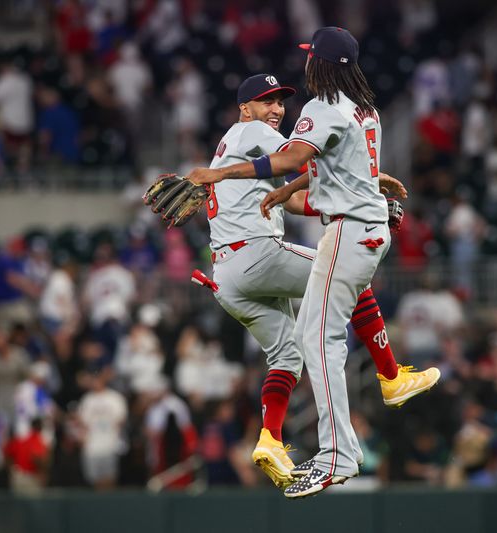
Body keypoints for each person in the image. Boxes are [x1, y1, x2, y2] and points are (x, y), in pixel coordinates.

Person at [184, 27, 440, 498]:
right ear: (247, 109)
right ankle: (388, 378)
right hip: (290, 247)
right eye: (266, 101)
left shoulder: (295, 120)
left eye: (280, 100)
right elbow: (308, 166)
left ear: (317, 65)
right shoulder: (346, 114)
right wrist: (360, 182)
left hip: (233, 274)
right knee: (325, 321)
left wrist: (226, 176)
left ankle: (298, 444)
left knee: (301, 346)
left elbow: (299, 173)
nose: (277, 108)